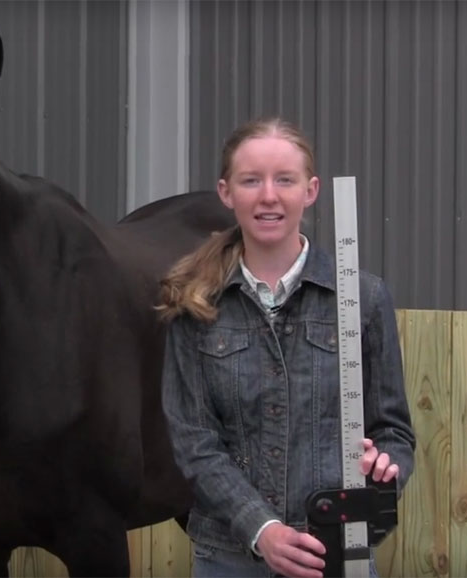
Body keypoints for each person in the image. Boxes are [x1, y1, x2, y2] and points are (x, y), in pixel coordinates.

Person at [157, 118, 415, 578]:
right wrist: (262, 529)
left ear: (311, 190)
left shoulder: (363, 300)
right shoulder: (194, 307)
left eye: (285, 180)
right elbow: (194, 442)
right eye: (251, 180)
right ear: (226, 191)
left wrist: (385, 471)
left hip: (336, 552)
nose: (269, 196)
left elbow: (394, 432)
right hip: (229, 558)